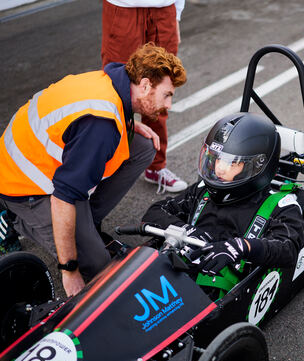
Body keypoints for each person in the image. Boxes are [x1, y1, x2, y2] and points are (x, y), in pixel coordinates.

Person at [0, 43, 187, 297]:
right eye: (167, 94)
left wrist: (127, 121)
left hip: (41, 162)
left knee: (142, 147)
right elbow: (63, 196)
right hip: (23, 185)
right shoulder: (101, 124)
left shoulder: (112, 82)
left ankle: (86, 225)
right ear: (144, 85)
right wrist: (69, 269)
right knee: (99, 269)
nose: (169, 104)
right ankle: (12, 218)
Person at [142, 113, 304, 275]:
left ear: (256, 166)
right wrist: (187, 231)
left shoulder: (282, 207)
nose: (219, 168)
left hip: (216, 287)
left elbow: (288, 249)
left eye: (232, 163)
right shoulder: (202, 191)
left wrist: (241, 247)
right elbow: (155, 212)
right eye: (217, 159)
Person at [101, 0, 188, 194]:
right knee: (116, 87)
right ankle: (104, 166)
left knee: (161, 90)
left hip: (165, 9)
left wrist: (176, 14)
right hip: (123, 8)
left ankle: (156, 166)